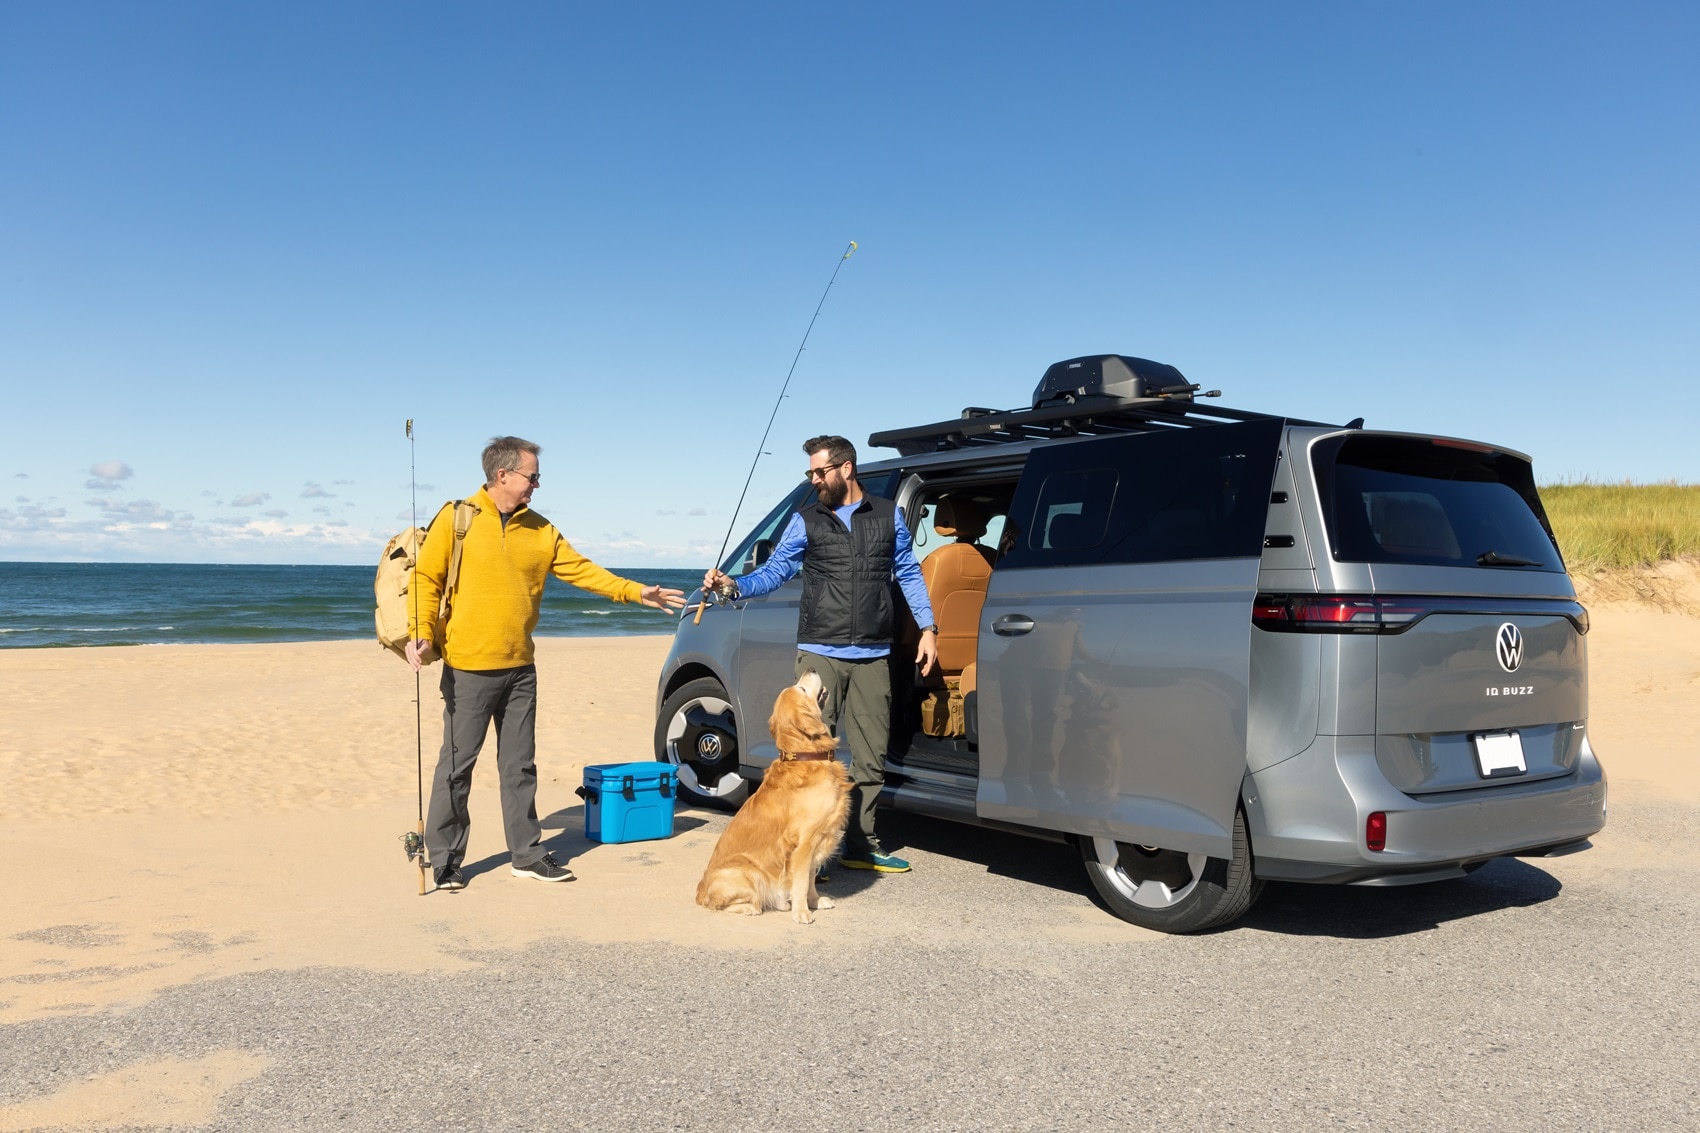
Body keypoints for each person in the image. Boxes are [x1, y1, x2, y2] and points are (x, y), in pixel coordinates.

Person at [407, 436, 685, 891]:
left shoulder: (541, 528)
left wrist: (636, 591)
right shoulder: (456, 518)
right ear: (503, 476)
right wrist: (419, 629)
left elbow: (582, 570)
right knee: (456, 768)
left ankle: (527, 854)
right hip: (467, 667)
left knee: (520, 767)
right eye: (531, 476)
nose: (536, 485)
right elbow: (426, 577)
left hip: (520, 667)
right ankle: (445, 860)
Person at [704, 435, 937, 873]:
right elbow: (774, 572)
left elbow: (907, 572)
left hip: (872, 654)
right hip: (819, 655)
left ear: (846, 469)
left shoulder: (888, 517)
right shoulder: (806, 520)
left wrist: (928, 627)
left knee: (870, 756)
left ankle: (859, 844)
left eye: (820, 472)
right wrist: (733, 586)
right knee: (808, 758)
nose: (814, 480)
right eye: (810, 473)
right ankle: (804, 856)